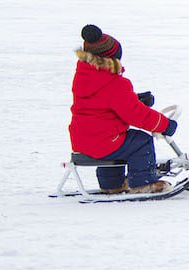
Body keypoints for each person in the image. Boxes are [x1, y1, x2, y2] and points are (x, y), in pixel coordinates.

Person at [68, 24, 178, 194]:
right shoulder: (116, 83)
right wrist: (165, 125)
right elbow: (136, 114)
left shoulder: (84, 77)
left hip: (82, 139)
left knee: (114, 142)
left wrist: (134, 98)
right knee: (140, 141)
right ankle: (143, 183)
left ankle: (111, 185)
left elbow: (101, 103)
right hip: (104, 140)